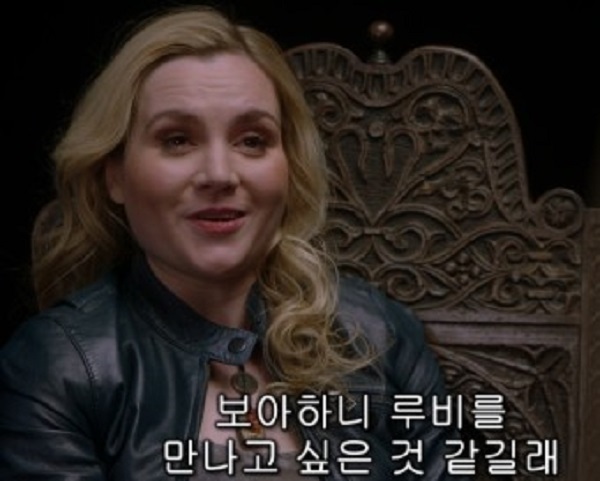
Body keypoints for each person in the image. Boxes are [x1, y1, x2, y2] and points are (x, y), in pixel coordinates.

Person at [0, 5, 468, 480]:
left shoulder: (377, 332)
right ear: (115, 174)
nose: (220, 174)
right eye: (177, 140)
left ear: (289, 167)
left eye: (252, 140)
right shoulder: (61, 364)